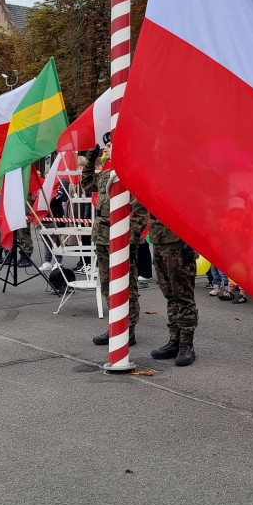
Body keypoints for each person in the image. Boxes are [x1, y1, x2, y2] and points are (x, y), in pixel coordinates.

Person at [83, 133, 144, 346]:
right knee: (108, 284)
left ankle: (129, 329)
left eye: (109, 145)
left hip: (121, 238)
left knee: (127, 285)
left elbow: (140, 210)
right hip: (102, 236)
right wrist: (90, 161)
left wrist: (132, 239)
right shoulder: (107, 174)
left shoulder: (131, 175)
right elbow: (86, 183)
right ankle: (115, 326)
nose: (106, 148)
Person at [145, 210, 198, 366]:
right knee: (169, 294)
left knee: (183, 295)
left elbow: (197, 209)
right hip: (158, 238)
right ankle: (174, 340)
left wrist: (192, 240)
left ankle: (186, 345)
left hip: (178, 242)